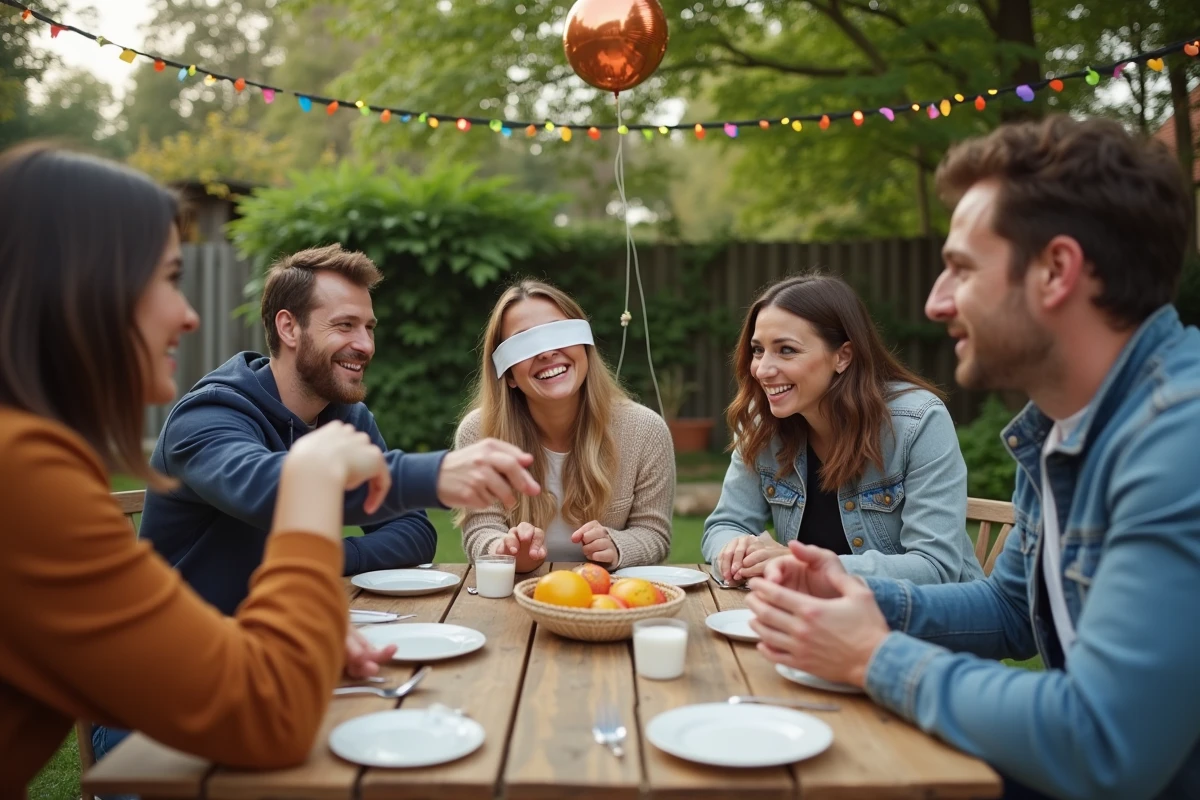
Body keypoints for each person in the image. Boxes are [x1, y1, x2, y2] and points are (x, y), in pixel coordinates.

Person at [746, 115, 1200, 799]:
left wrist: (873, 656)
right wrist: (858, 592)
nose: (936, 301)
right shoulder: (1061, 427)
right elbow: (1011, 611)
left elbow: (1104, 742)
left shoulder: (1177, 439)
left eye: (960, 268)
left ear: (1056, 271)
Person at [0, 143, 475, 793]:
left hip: (199, 672)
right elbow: (270, 712)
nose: (188, 314)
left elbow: (411, 533)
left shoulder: (36, 459)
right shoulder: (36, 472)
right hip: (143, 720)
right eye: (167, 278)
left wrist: (299, 608)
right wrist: (330, 494)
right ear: (79, 288)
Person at [99, 250, 541, 762]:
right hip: (158, 699)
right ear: (289, 327)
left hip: (272, 663)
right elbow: (274, 492)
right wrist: (432, 475)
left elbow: (414, 533)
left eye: (369, 327)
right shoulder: (208, 417)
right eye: (345, 325)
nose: (365, 345)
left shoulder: (345, 416)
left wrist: (325, 559)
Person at [702, 274, 983, 586]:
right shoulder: (764, 425)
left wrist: (806, 567)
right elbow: (724, 526)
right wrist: (736, 550)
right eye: (758, 350)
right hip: (815, 611)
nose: (763, 369)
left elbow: (935, 567)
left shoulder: (918, 422)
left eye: (786, 350)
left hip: (925, 615)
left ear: (843, 356)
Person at [455, 279, 675, 571]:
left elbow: (654, 533)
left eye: (558, 332)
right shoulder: (479, 434)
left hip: (608, 595)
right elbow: (480, 531)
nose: (547, 353)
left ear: (584, 346)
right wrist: (506, 550)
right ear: (508, 374)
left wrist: (617, 546)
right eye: (524, 343)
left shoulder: (645, 431)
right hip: (516, 594)